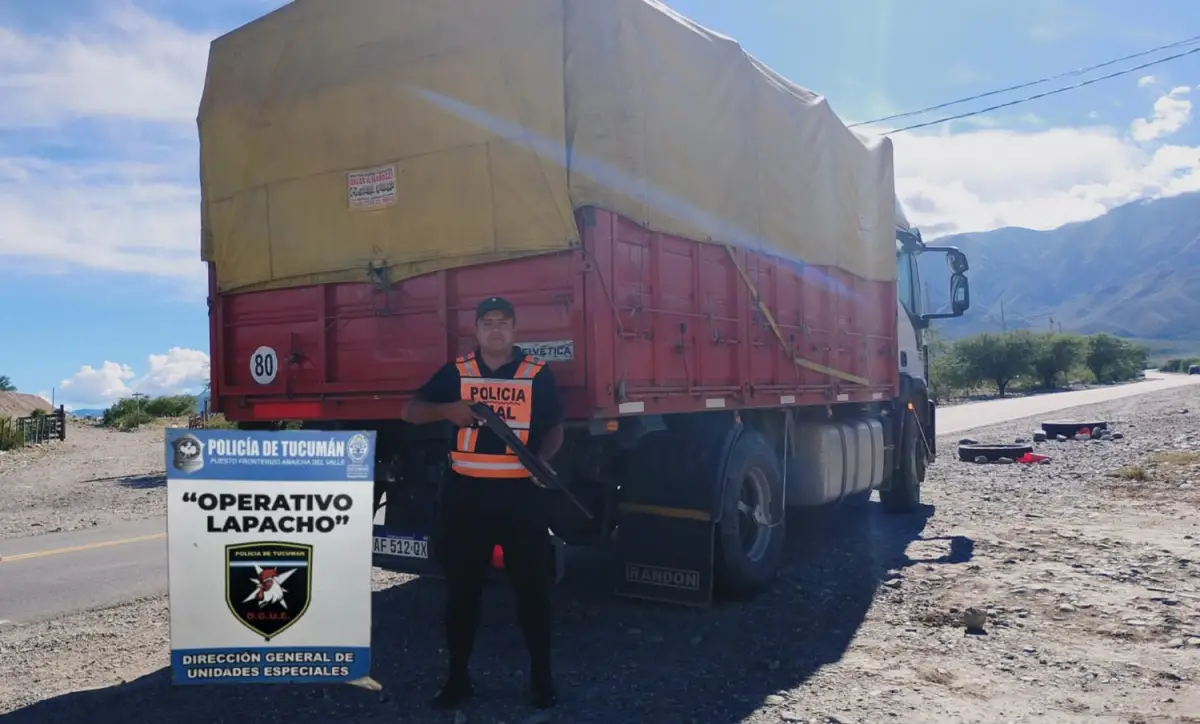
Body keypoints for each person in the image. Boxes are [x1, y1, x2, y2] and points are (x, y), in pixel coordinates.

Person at [401, 296, 565, 711]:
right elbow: (409, 411)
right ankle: (457, 681)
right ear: (476, 329)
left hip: (521, 500)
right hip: (466, 499)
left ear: (515, 330)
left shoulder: (536, 374)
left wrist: (542, 462)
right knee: (461, 595)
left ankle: (542, 681)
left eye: (504, 322)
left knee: (533, 594)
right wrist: (447, 410)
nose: (496, 329)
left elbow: (555, 428)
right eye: (488, 322)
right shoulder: (457, 373)